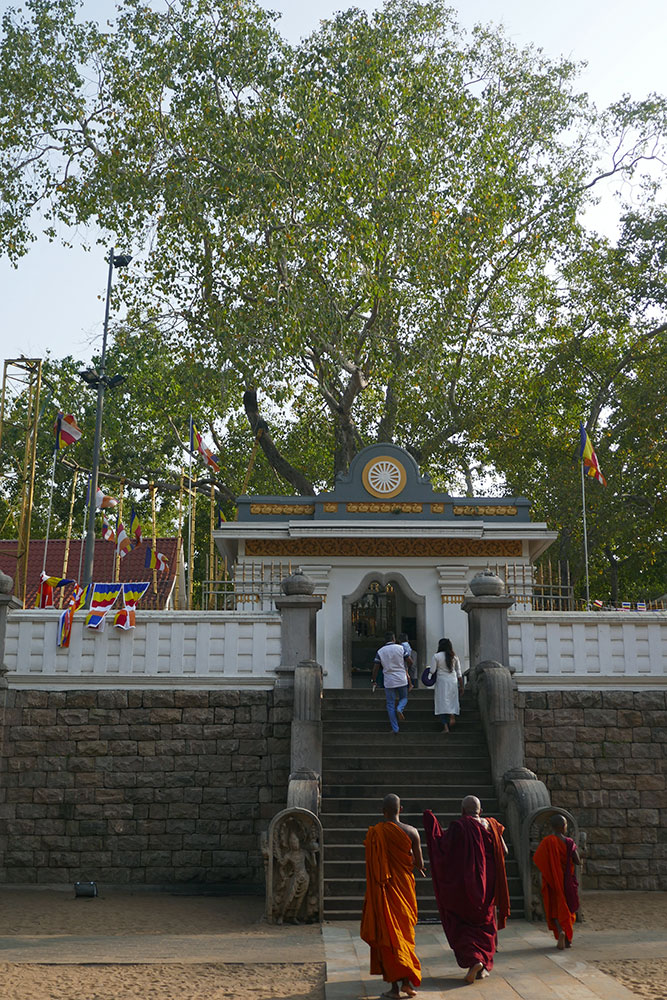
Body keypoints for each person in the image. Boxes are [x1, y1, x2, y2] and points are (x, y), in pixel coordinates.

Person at [423, 795, 510, 984]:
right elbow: (504, 851)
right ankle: (484, 966)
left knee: (462, 922)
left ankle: (474, 960)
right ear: (481, 810)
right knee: (486, 922)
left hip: (467, 886)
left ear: (463, 810)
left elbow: (442, 850)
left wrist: (432, 826)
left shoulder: (459, 827)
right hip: (488, 884)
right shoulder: (492, 825)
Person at [361, 793, 426, 999]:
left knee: (388, 935)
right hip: (404, 888)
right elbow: (419, 863)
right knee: (404, 934)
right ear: (401, 810)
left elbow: (374, 864)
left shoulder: (376, 834)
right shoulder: (412, 832)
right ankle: (406, 982)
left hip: (385, 890)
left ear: (383, 811)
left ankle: (394, 989)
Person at [533, 814, 581, 950]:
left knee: (554, 909)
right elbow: (577, 861)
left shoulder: (547, 842)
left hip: (552, 881)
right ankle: (568, 939)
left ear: (552, 827)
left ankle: (560, 931)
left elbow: (538, 859)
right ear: (563, 827)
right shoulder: (569, 842)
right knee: (567, 908)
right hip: (567, 881)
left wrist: (551, 871)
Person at [371, 631, 411, 733]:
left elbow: (376, 667)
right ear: (394, 639)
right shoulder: (401, 648)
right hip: (401, 678)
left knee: (390, 704)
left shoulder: (380, 651)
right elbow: (410, 661)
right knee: (404, 697)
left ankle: (395, 728)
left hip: (389, 680)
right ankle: (400, 708)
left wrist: (374, 679)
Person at [426, 638, 463, 733]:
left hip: (442, 681)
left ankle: (445, 727)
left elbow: (432, 671)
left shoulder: (436, 656)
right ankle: (452, 715)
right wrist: (461, 686)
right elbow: (459, 673)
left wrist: (428, 670)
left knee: (442, 703)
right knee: (452, 700)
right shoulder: (454, 657)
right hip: (453, 681)